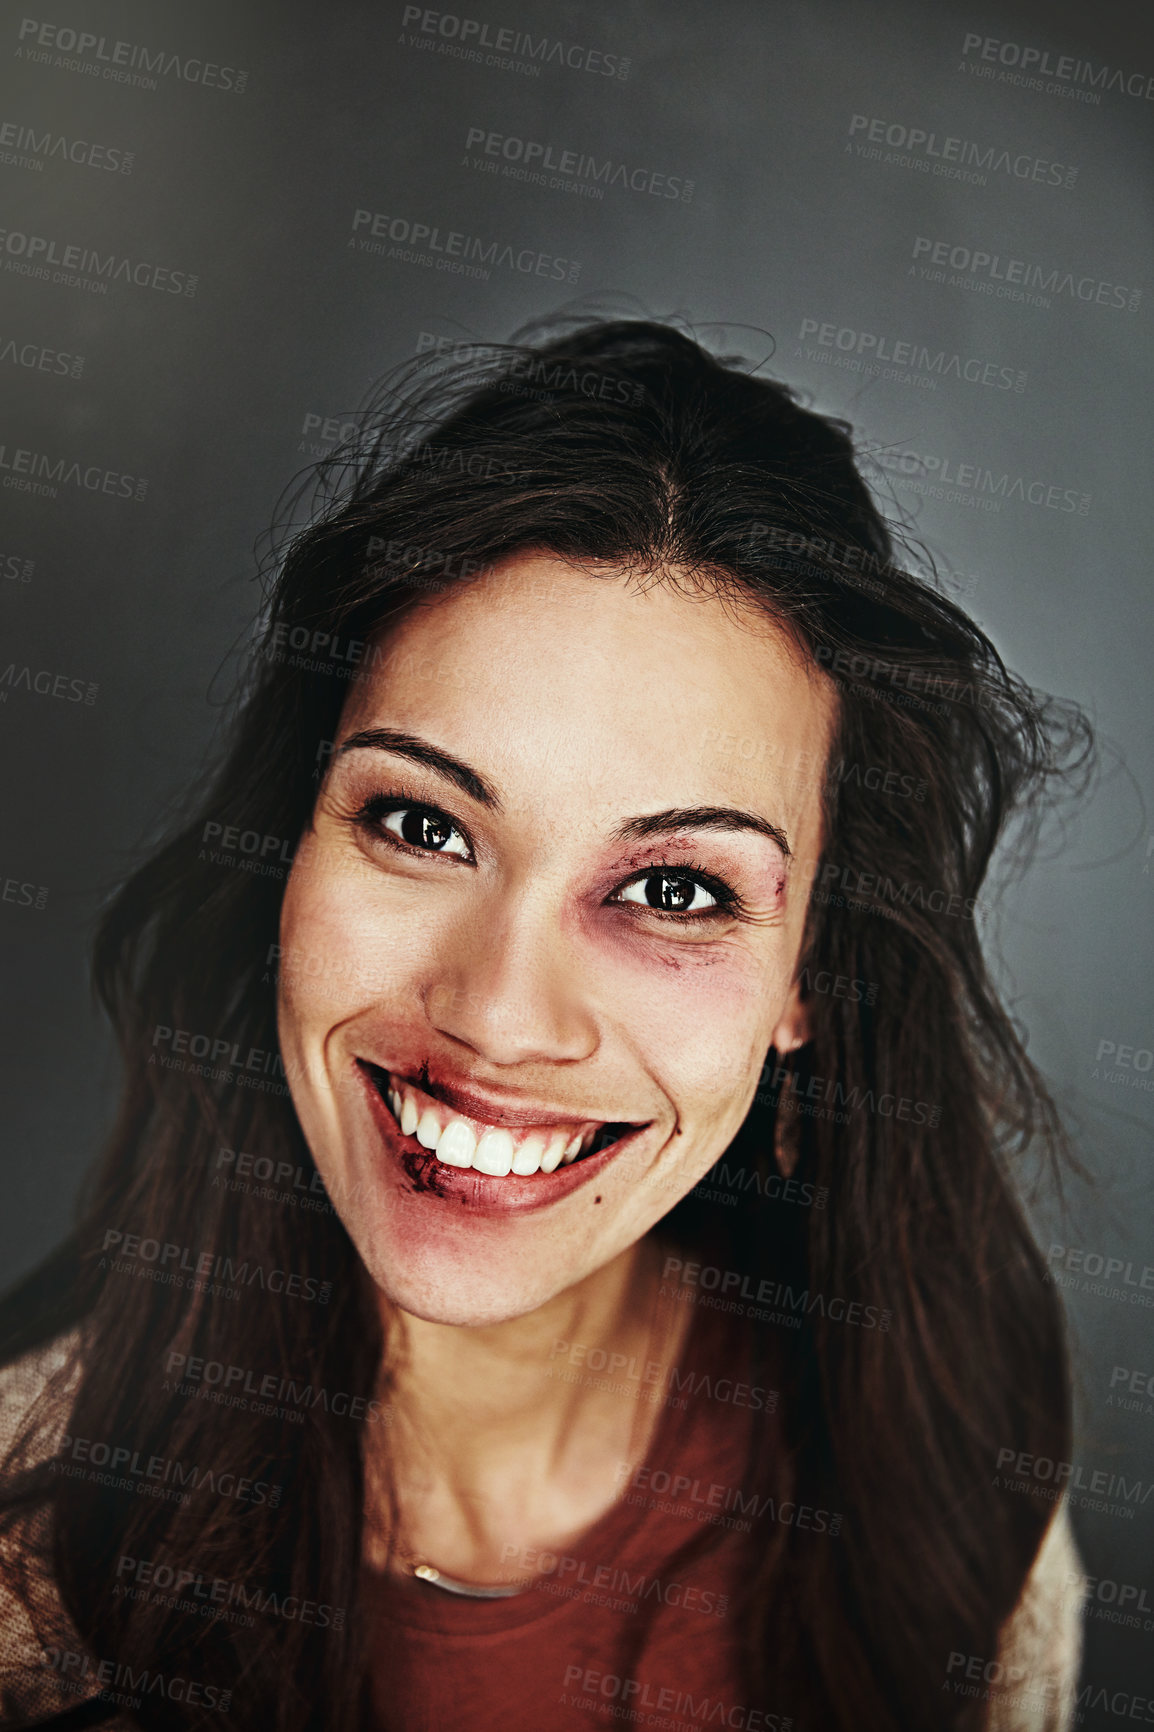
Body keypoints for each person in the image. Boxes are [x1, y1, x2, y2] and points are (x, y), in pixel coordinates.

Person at [0, 319, 1090, 1731]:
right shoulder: (27, 1550)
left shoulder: (940, 1460)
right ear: (291, 852)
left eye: (675, 888)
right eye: (419, 823)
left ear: (810, 977)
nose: (499, 1016)